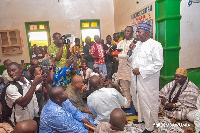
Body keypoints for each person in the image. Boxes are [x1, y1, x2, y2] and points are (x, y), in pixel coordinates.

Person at [129, 21, 163, 132]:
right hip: (137, 79)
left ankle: (150, 127)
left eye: (139, 32)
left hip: (148, 80)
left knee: (149, 102)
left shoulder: (155, 45)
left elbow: (158, 64)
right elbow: (132, 60)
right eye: (137, 32)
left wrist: (141, 71)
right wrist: (130, 51)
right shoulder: (138, 44)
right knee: (139, 100)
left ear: (147, 32)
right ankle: (142, 119)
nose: (137, 34)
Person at [116, 26, 134, 108]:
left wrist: (118, 55)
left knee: (133, 89)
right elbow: (115, 53)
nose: (126, 32)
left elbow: (130, 55)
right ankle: (127, 103)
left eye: (128, 31)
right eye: (125, 31)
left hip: (132, 69)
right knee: (124, 88)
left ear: (132, 32)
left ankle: (137, 106)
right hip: (122, 68)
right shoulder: (120, 43)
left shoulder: (135, 42)